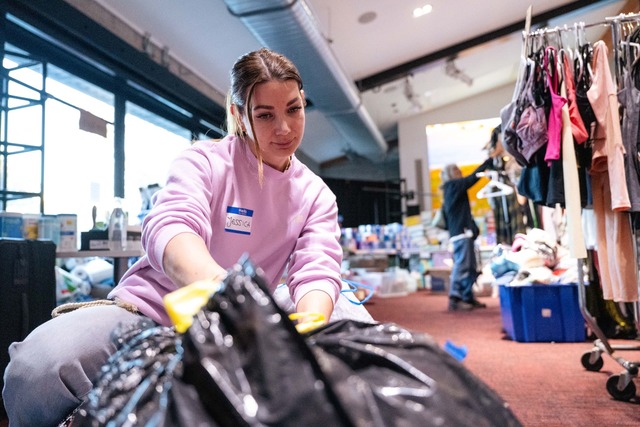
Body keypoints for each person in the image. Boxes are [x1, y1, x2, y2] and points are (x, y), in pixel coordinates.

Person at [2, 47, 369, 426]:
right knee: (37, 369)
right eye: (265, 115)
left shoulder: (315, 194)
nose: (285, 129)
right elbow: (171, 226)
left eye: (294, 109)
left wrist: (307, 326)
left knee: (348, 330)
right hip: (151, 313)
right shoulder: (204, 161)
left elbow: (317, 269)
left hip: (247, 328)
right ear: (238, 115)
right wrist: (225, 296)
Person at [440, 157, 493, 311]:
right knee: (462, 266)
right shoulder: (453, 186)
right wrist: (487, 163)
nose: (460, 171)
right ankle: (455, 297)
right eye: (456, 169)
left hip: (462, 233)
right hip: (461, 234)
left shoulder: (453, 188)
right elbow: (472, 179)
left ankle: (467, 297)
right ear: (450, 174)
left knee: (469, 267)